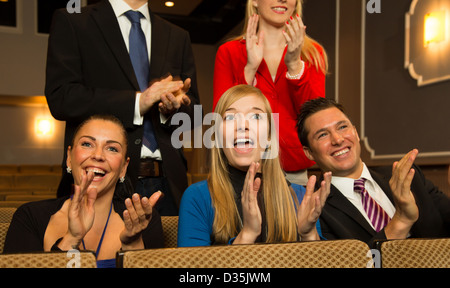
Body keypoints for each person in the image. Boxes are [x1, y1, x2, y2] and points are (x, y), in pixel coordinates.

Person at [45, 0, 200, 216]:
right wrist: (138, 103)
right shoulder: (73, 20)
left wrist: (170, 109)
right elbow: (61, 97)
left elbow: (194, 114)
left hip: (169, 186)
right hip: (101, 180)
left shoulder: (177, 35)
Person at [177, 85, 331, 247]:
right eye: (230, 118)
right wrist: (247, 235)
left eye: (256, 116)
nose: (243, 125)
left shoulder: (301, 197)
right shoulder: (197, 197)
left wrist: (308, 235)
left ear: (270, 136)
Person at [4, 115, 164, 268]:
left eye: (112, 148)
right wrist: (71, 239)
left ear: (123, 167)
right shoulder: (29, 216)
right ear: (69, 157)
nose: (98, 155)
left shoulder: (142, 221)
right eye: (87, 144)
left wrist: (132, 245)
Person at [297, 97, 450, 247]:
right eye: (323, 134)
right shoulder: (315, 210)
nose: (337, 139)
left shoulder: (406, 176)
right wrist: (402, 220)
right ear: (309, 152)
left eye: (342, 127)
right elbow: (352, 265)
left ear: (356, 133)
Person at [213, 0, 328, 186]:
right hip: (243, 169)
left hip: (295, 172)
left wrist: (294, 66)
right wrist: (250, 69)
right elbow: (221, 119)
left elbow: (315, 119)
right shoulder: (229, 52)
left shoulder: (313, 53)